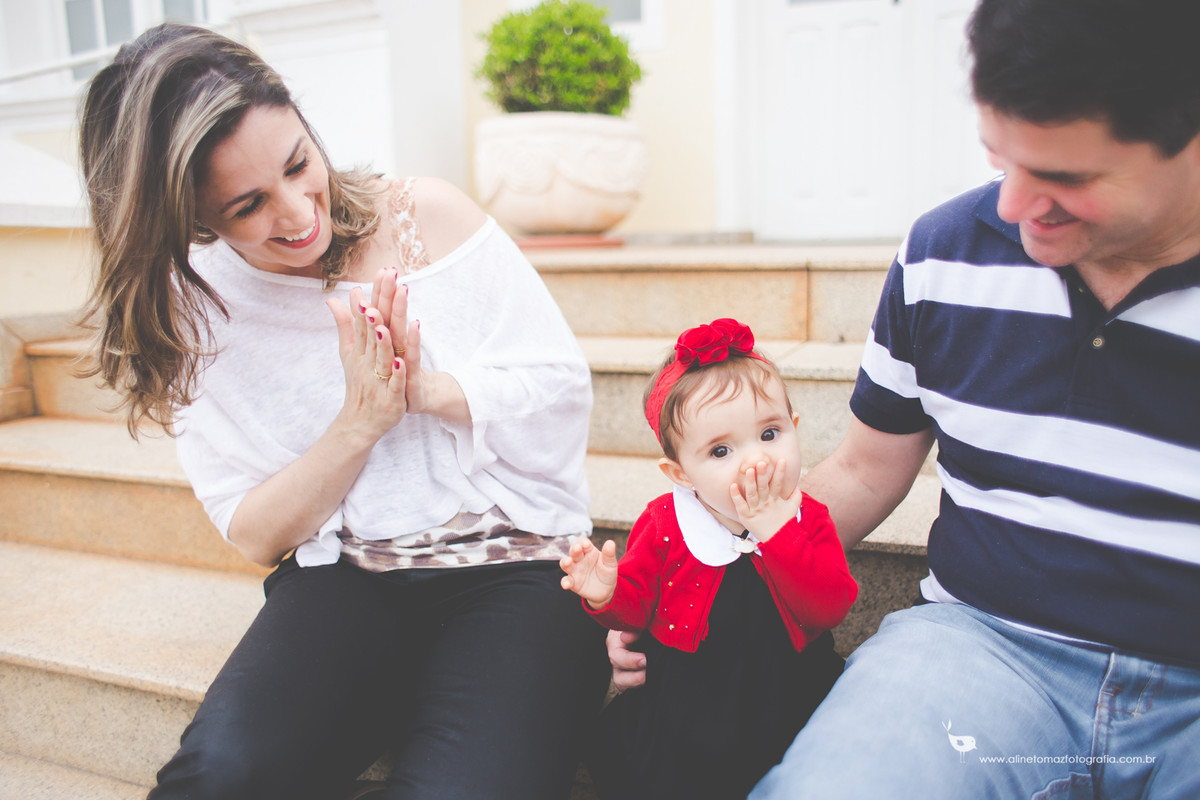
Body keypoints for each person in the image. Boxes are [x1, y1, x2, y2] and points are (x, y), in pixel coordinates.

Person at [614, 1, 1200, 797]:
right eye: (1001, 158)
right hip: (979, 652)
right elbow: (862, 471)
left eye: (1065, 177)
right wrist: (688, 591)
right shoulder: (943, 254)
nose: (1010, 209)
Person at [78, 23, 608, 800]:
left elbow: (558, 385)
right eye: (248, 205)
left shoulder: (426, 217)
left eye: (299, 164)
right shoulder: (197, 306)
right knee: (216, 777)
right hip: (346, 579)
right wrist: (361, 423)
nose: (299, 213)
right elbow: (256, 532)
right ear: (192, 216)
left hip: (518, 569)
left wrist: (427, 392)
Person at [560, 318, 856, 799]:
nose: (755, 460)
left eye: (770, 433)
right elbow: (636, 610)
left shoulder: (806, 517)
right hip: (691, 709)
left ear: (795, 428)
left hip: (786, 692)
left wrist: (776, 532)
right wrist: (606, 594)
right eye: (721, 450)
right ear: (681, 473)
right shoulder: (666, 524)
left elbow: (829, 607)